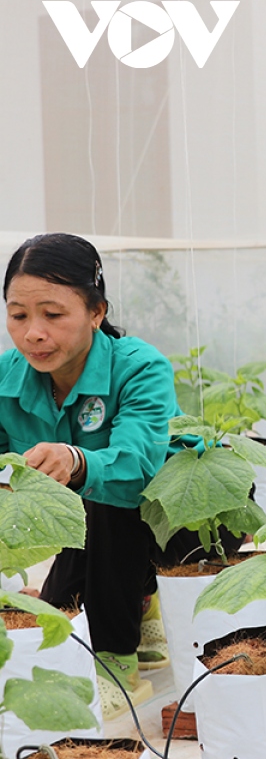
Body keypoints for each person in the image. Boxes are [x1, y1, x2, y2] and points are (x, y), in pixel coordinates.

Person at [0, 233, 174, 720]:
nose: (33, 332)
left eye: (53, 315)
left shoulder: (140, 367)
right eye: (18, 316)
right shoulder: (4, 378)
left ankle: (118, 662)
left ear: (96, 312)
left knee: (109, 497)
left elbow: (139, 466)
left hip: (174, 519)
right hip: (81, 523)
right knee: (57, 609)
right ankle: (142, 601)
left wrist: (77, 461)